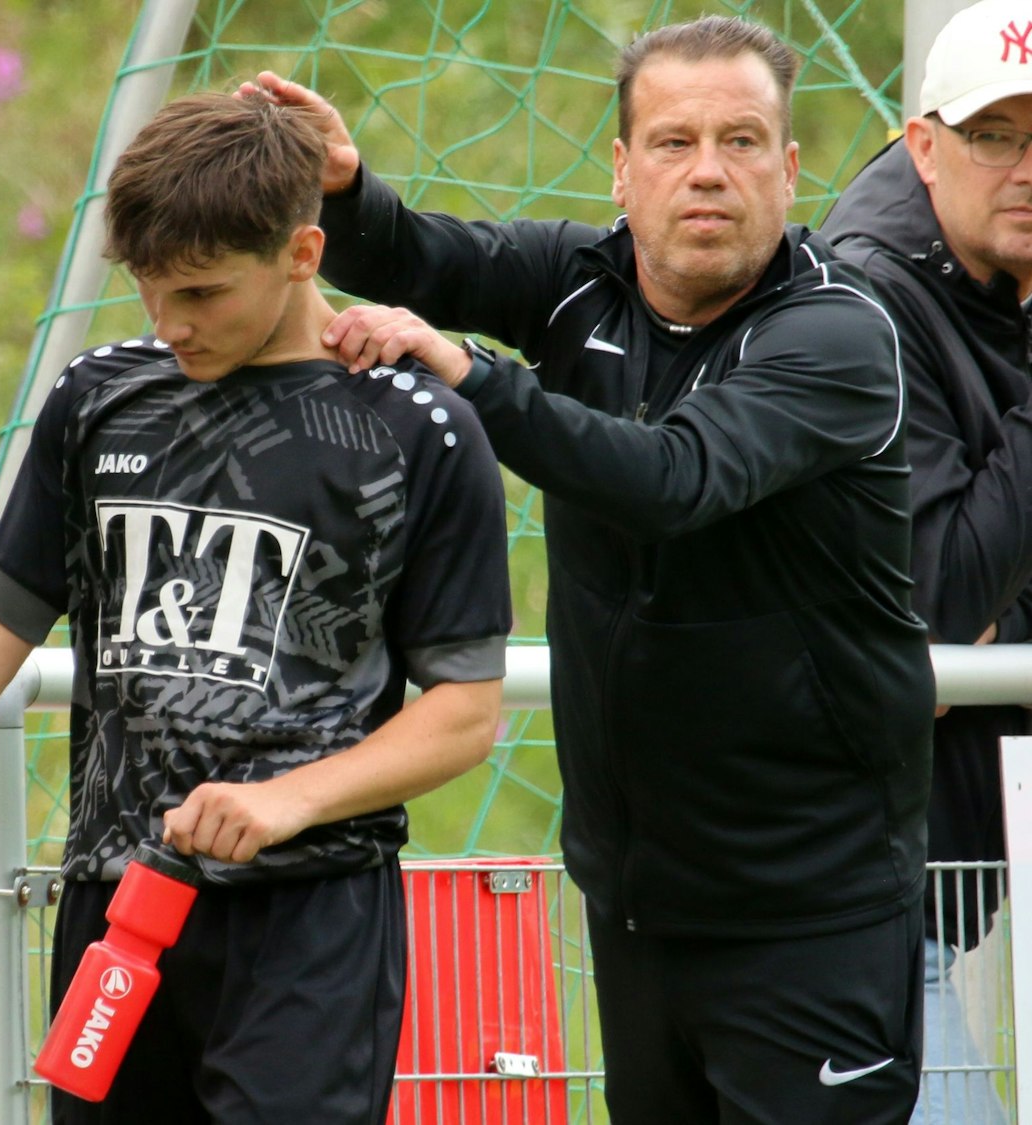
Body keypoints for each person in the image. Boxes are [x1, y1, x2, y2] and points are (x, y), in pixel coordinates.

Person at [0, 93, 512, 1121]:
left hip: (309, 920)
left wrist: (285, 801)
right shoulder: (96, 398)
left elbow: (461, 713)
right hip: (116, 912)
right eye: (145, 289)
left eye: (203, 292)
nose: (169, 323)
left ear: (303, 251)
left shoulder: (417, 430)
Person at [251, 13, 935, 1123]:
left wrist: (475, 377)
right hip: (636, 909)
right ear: (621, 169)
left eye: (741, 141)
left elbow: (669, 480)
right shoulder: (582, 279)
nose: (706, 172)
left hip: (809, 915)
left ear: (789, 167)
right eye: (672, 143)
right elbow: (430, 256)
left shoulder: (837, 337)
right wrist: (344, 190)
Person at [820, 3, 1032, 1121]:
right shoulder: (863, 305)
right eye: (996, 134)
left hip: (944, 879)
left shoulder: (996, 283)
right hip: (849, 907)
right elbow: (943, 601)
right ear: (923, 145)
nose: (1025, 169)